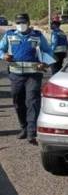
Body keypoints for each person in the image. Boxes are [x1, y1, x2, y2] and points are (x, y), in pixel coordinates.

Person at [0, 13, 53, 144]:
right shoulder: (9, 35)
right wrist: (4, 56)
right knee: (18, 101)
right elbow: (0, 49)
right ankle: (23, 127)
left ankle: (31, 131)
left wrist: (45, 63)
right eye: (18, 23)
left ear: (29, 23)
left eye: (23, 22)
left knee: (32, 101)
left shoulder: (38, 36)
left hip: (33, 75)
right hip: (15, 75)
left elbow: (48, 51)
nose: (20, 25)